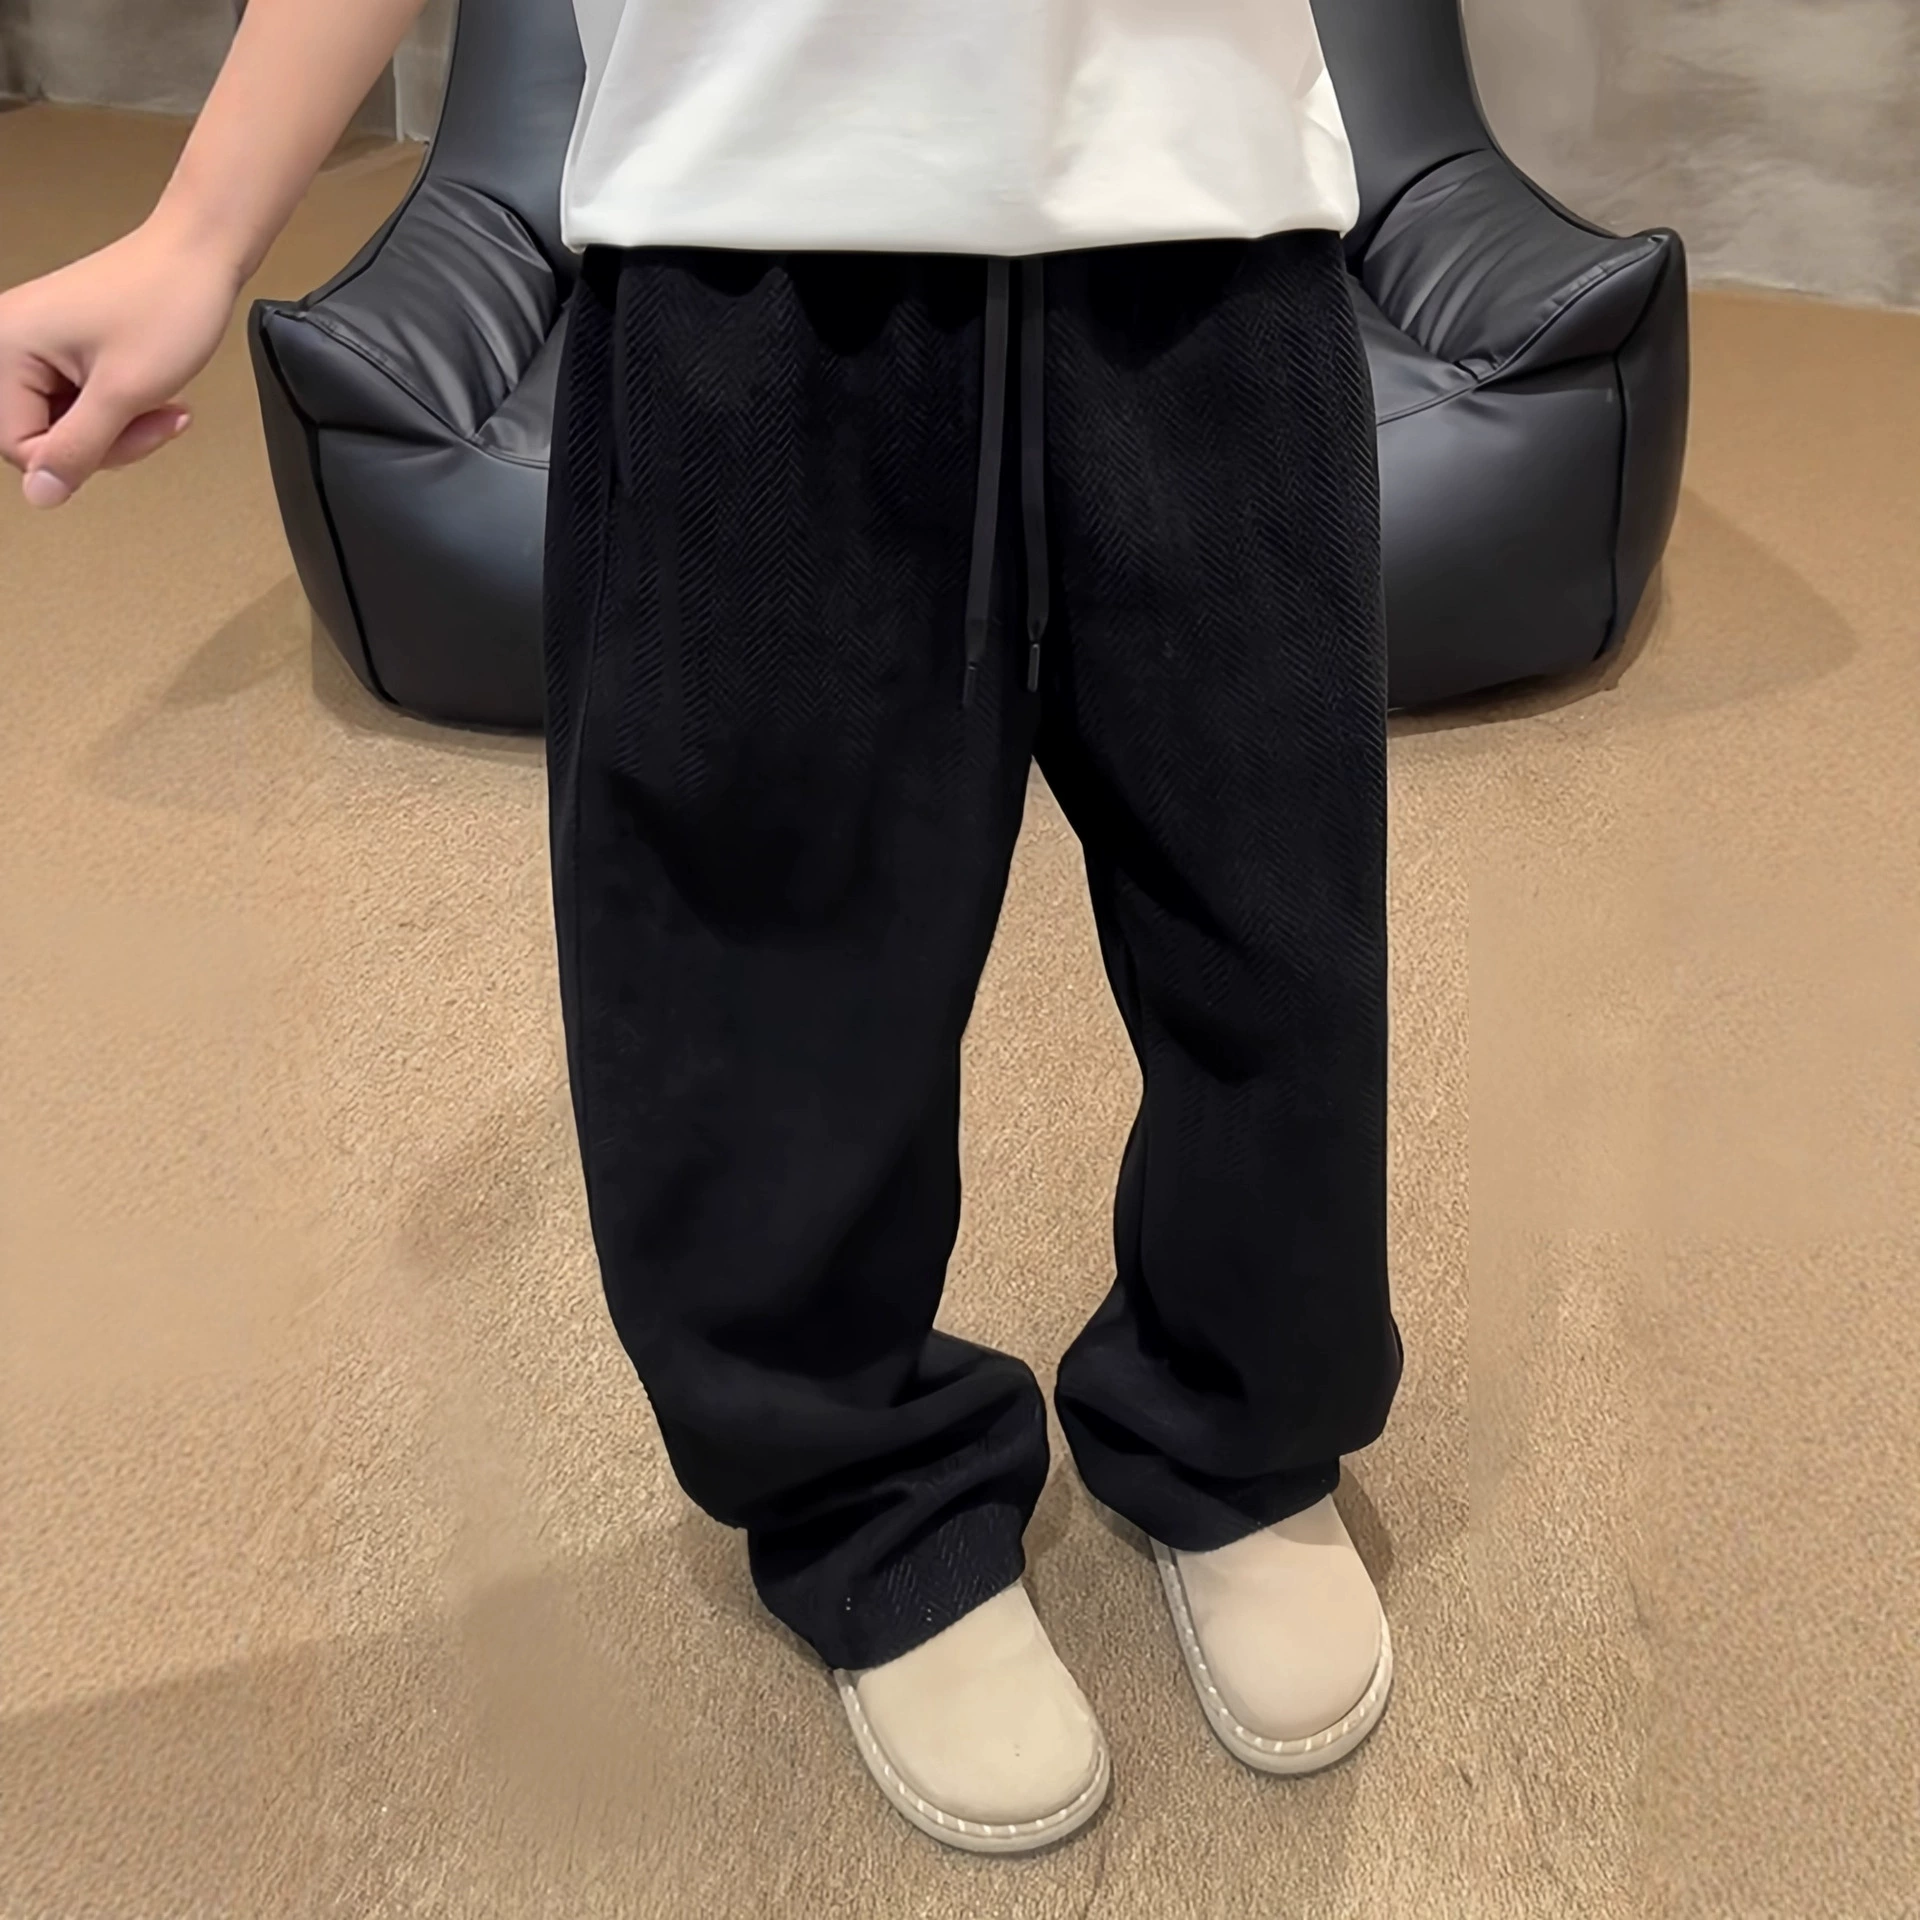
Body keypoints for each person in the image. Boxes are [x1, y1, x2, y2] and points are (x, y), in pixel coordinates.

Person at [0, 0, 1403, 1855]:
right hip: (748, 235)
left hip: (1217, 219)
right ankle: (862, 1488)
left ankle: (1241, 1425)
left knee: (1274, 918)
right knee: (756, 968)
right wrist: (198, 230)